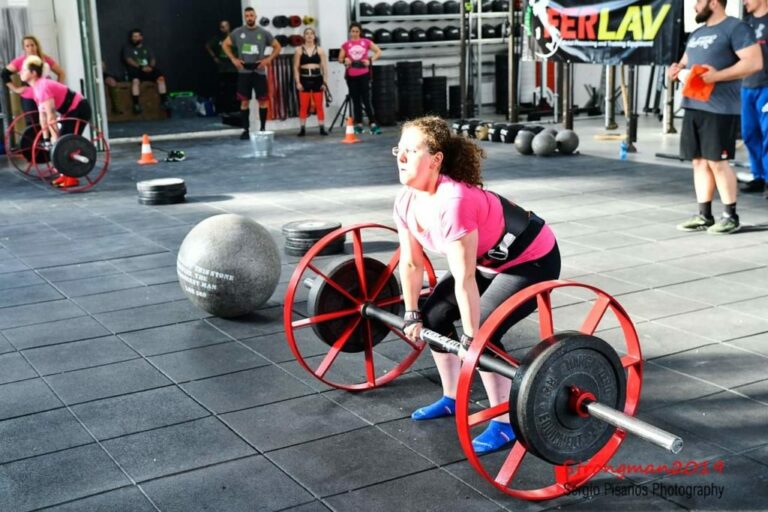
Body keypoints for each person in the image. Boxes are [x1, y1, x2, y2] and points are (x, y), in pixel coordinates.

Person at [393, 116, 560, 454]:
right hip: (487, 261)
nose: (401, 157)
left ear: (436, 159)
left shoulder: (454, 202)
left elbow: (465, 277)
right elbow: (410, 263)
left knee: (483, 330)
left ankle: (504, 423)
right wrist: (412, 314)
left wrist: (472, 336)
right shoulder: (406, 201)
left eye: (411, 150)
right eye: (399, 149)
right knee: (434, 315)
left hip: (531, 260)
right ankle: (452, 396)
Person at [668, 0, 762, 235]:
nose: (695, 7)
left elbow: (754, 63)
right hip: (693, 105)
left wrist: (717, 76)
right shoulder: (698, 33)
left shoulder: (736, 28)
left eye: (699, 2)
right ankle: (704, 215)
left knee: (717, 162)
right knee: (699, 161)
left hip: (720, 109)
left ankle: (730, 216)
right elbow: (684, 63)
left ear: (713, 2)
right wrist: (675, 70)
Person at [19, 55, 92, 188]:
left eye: (24, 70)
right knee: (59, 141)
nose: (20, 72)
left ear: (33, 73)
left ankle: (72, 177)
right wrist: (46, 139)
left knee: (65, 143)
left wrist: (56, 141)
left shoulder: (43, 87)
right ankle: (63, 175)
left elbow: (51, 116)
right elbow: (43, 116)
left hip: (80, 108)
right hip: (69, 110)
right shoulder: (36, 88)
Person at [223, 6, 282, 140]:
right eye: (247, 16)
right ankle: (245, 130)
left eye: (251, 15)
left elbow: (277, 47)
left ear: (255, 16)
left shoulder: (263, 32)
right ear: (245, 17)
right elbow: (225, 45)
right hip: (244, 71)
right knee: (244, 102)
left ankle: (262, 129)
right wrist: (233, 59)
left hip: (259, 71)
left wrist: (268, 60)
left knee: (263, 101)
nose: (249, 18)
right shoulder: (238, 32)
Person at [2, 35, 66, 124]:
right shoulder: (20, 61)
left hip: (45, 95)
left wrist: (58, 89)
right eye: (27, 46)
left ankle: (50, 138)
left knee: (49, 121)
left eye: (32, 45)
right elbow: (4, 74)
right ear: (24, 48)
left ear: (36, 45)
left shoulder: (45, 59)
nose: (31, 48)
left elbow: (61, 73)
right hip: (29, 96)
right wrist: (15, 89)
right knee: (32, 124)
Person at [740, 0, 768, 197]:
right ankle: (758, 175)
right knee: (749, 133)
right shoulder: (745, 25)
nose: (744, 1)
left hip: (766, 86)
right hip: (747, 86)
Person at [338, 22, 382, 135]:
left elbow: (378, 51)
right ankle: (359, 124)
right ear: (350, 32)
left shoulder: (366, 42)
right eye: (353, 31)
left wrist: (370, 60)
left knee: (366, 100)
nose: (355, 33)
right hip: (351, 76)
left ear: (360, 32)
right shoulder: (346, 45)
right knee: (356, 101)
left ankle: (373, 123)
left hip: (364, 74)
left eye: (357, 31)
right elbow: (340, 58)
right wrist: (344, 61)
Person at [122, 28, 169, 114]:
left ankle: (164, 101)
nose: (135, 38)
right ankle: (136, 104)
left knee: (161, 78)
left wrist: (150, 67)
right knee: (135, 81)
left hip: (148, 69)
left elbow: (152, 59)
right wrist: (140, 67)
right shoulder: (128, 48)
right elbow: (129, 60)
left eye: (137, 36)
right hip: (136, 70)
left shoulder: (147, 48)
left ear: (141, 37)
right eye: (133, 36)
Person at [293, 27, 329, 136]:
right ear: (304, 36)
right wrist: (298, 82)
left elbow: (325, 68)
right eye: (307, 34)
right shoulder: (299, 50)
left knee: (319, 105)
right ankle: (302, 128)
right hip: (304, 78)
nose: (309, 36)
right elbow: (295, 67)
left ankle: (322, 127)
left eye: (311, 34)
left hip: (317, 78)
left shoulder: (320, 50)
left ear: (314, 36)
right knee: (303, 105)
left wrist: (325, 82)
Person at [206, 20, 239, 114]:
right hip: (224, 67)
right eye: (223, 26)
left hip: (234, 67)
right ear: (221, 28)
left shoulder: (235, 37)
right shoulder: (218, 39)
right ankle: (225, 110)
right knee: (225, 89)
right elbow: (208, 45)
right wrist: (214, 57)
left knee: (235, 89)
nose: (226, 28)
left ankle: (236, 109)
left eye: (227, 25)